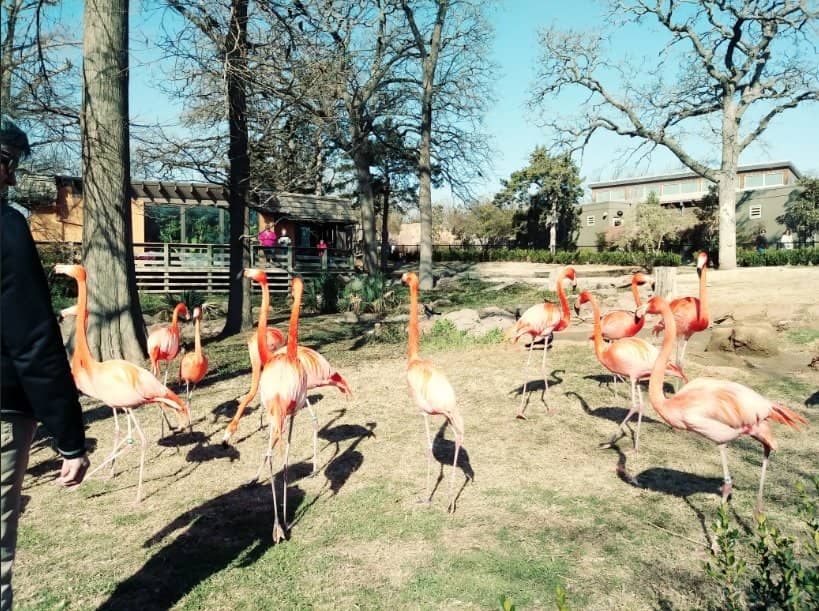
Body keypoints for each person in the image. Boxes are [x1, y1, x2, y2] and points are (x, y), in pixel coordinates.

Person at [1, 115, 89, 610]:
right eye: (8, 163)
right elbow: (32, 340)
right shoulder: (7, 228)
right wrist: (70, 438)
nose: (13, 177)